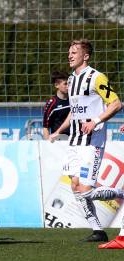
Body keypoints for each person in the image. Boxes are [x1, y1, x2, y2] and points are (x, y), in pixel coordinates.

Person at [50, 39, 122, 242]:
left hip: (92, 141)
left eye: (74, 52)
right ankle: (98, 231)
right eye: (69, 52)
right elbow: (74, 111)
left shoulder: (96, 77)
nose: (70, 55)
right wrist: (59, 131)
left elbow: (116, 103)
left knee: (86, 190)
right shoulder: (72, 79)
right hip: (74, 141)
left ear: (86, 56)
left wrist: (96, 120)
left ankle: (120, 194)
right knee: (75, 185)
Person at [42, 71, 70, 140]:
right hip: (59, 141)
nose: (68, 86)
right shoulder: (51, 104)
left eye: (69, 83)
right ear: (56, 85)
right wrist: (48, 144)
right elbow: (46, 127)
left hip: (75, 138)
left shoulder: (74, 99)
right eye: (65, 84)